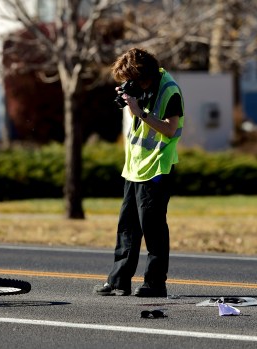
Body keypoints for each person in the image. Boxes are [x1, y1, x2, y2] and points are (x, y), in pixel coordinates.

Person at [94, 48, 184, 297]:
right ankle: (118, 281)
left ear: (146, 76)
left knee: (153, 229)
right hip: (134, 167)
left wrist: (140, 112)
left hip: (157, 166)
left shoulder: (170, 91)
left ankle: (155, 284)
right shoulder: (141, 85)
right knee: (127, 228)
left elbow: (170, 129)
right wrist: (126, 98)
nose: (129, 84)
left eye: (132, 80)